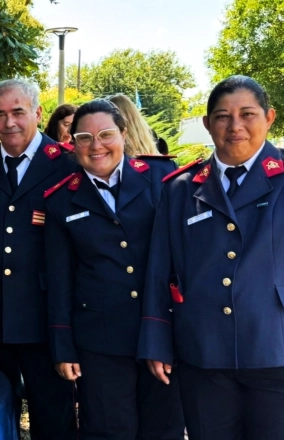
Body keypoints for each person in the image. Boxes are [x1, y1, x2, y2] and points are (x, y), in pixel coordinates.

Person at [138, 75, 284, 440]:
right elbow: (160, 269)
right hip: (203, 349)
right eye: (222, 116)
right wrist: (156, 340)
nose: (235, 126)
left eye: (247, 114)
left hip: (274, 346)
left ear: (269, 117)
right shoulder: (181, 189)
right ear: (207, 124)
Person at [44, 99, 183, 439]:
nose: (96, 145)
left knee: (163, 427)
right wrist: (63, 346)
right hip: (100, 338)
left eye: (106, 134)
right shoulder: (61, 199)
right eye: (84, 137)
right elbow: (59, 277)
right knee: (109, 429)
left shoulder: (162, 178)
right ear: (72, 144)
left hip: (162, 331)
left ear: (123, 134)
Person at [0, 79, 77, 439]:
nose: (9, 122)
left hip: (47, 312)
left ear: (37, 113)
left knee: (53, 410)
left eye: (18, 112)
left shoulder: (68, 164)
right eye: (0, 114)